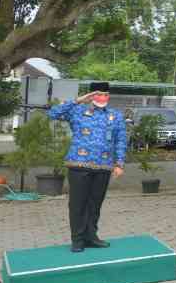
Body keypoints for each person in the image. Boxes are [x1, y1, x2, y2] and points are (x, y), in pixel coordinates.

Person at [48, 82, 127, 253]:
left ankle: (91, 236)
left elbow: (120, 140)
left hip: (104, 166)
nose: (102, 98)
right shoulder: (77, 111)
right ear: (91, 96)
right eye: (98, 94)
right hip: (78, 165)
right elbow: (53, 113)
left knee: (95, 204)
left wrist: (119, 163)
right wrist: (78, 100)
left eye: (106, 95)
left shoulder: (115, 115)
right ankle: (77, 239)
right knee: (77, 204)